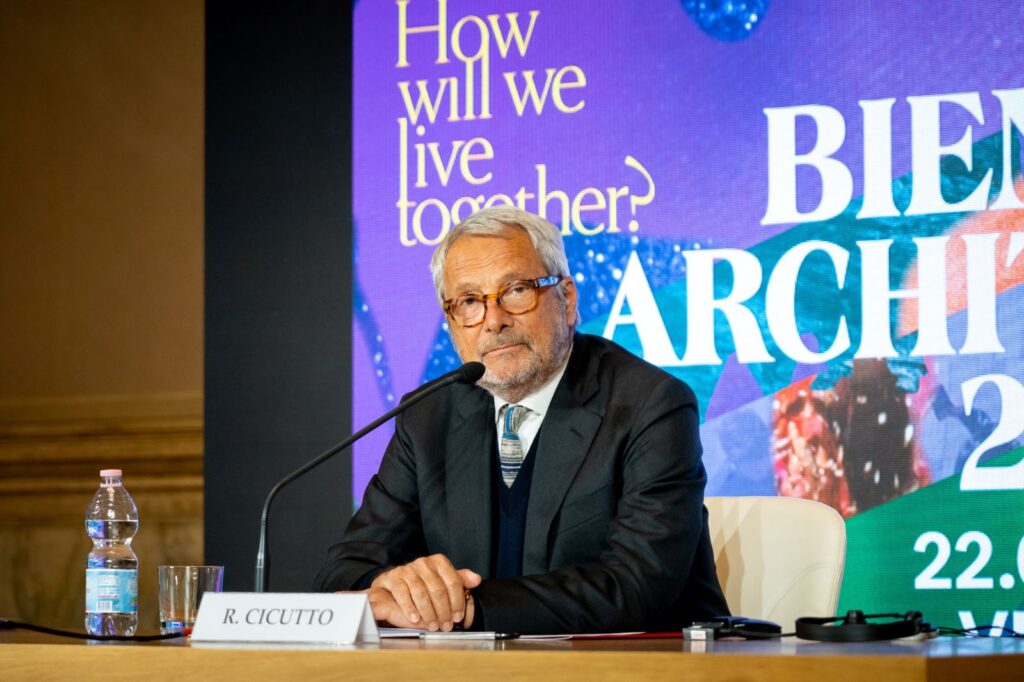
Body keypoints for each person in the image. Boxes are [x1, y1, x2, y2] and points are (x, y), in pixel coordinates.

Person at [314, 207, 728, 634]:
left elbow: (637, 585)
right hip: (471, 667)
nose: (494, 321)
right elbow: (346, 567)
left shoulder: (649, 405)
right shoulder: (427, 417)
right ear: (452, 324)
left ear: (566, 299)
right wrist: (394, 589)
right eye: (469, 302)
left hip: (641, 662)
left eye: (515, 290)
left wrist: (462, 608)